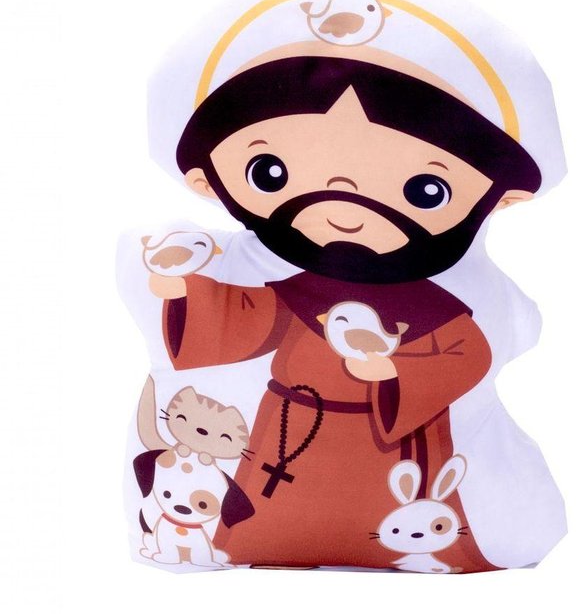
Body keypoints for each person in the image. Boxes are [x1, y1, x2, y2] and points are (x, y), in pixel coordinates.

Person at [148, 49, 542, 571]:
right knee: (267, 518)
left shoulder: (443, 307)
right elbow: (246, 319)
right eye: (270, 172)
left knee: (407, 516)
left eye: (426, 189)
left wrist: (392, 373)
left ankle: (424, 552)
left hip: (395, 441)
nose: (344, 200)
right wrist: (180, 292)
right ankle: (242, 544)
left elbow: (467, 355)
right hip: (289, 429)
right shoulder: (292, 286)